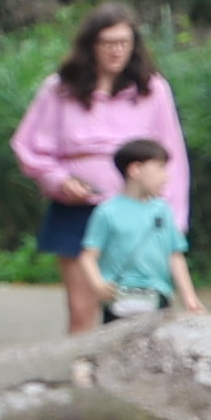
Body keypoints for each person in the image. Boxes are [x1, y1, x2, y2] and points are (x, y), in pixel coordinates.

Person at [8, 6, 184, 335]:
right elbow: (28, 146)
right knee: (81, 311)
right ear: (91, 45)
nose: (116, 50)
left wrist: (174, 219)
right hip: (79, 213)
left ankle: (131, 382)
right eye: (107, 42)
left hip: (137, 215)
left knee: (134, 312)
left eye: (124, 42)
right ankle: (79, 379)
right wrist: (59, 180)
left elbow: (172, 156)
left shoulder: (153, 90)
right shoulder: (59, 89)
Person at [85, 132, 190, 324]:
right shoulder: (107, 211)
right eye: (160, 168)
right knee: (115, 349)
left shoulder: (164, 211)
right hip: (118, 295)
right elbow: (88, 256)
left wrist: (189, 298)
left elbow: (175, 256)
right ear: (135, 170)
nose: (166, 177)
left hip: (157, 294)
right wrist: (97, 284)